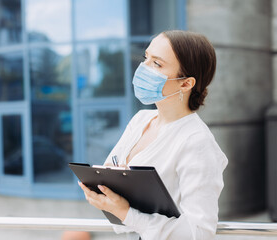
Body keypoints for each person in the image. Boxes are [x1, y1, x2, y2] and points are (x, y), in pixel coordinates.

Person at [78, 30, 228, 240]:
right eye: (145, 58)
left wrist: (126, 212)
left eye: (157, 64)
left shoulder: (196, 142)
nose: (143, 68)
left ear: (186, 83)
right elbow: (112, 185)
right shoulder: (140, 120)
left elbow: (200, 234)